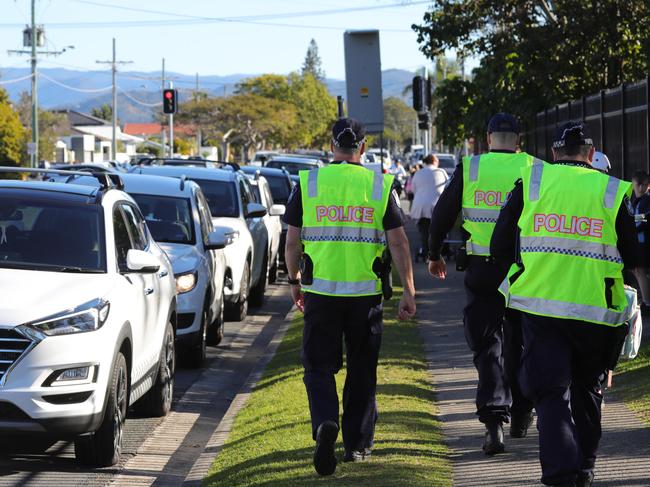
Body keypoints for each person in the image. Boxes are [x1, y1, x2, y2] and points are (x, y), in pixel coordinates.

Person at [491, 122, 637, 487]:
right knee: (588, 390)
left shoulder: (534, 183)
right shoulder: (612, 190)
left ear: (554, 154)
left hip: (543, 308)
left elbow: (499, 244)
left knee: (551, 393)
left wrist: (524, 266)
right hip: (596, 312)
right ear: (591, 154)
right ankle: (585, 468)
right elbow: (634, 253)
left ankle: (559, 475)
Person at [283, 117, 417, 476]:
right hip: (366, 296)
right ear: (363, 147)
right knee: (362, 369)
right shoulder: (379, 183)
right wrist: (408, 290)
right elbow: (399, 241)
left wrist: (294, 280)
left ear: (331, 146)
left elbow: (292, 241)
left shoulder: (308, 183)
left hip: (321, 293)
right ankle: (357, 445)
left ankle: (326, 421)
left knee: (318, 366)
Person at [428, 113, 536, 454]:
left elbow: (444, 212)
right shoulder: (536, 168)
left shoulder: (472, 168)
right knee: (520, 341)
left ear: (488, 136)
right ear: (519, 139)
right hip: (524, 270)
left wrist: (434, 252)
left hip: (483, 269)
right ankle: (520, 411)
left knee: (488, 345)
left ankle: (493, 423)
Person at [410, 154, 449, 262]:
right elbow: (447, 188)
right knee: (439, 231)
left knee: (424, 232)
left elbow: (414, 189)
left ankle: (428, 255)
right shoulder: (441, 172)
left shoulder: (418, 173)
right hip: (437, 206)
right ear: (435, 162)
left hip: (421, 207)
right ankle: (438, 253)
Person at [631, 170, 650, 313]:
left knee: (640, 271)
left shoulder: (645, 201)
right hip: (640, 243)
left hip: (643, 243)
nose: (639, 188)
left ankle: (647, 303)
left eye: (644, 185)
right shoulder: (639, 201)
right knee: (639, 271)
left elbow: (641, 220)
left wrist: (628, 226)